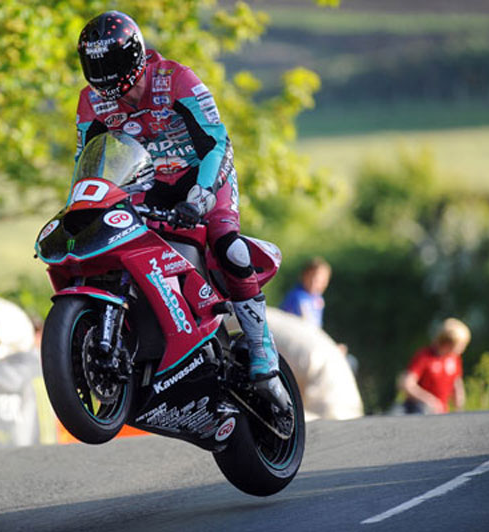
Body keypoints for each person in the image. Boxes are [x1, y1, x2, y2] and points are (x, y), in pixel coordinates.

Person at [74, 11, 290, 414]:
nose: (105, 76)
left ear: (134, 56)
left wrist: (202, 197)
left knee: (229, 248)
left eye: (112, 63)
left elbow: (217, 142)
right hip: (146, 186)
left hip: (202, 178)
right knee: (112, 244)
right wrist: (83, 206)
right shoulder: (91, 101)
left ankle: (264, 356)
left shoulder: (176, 79)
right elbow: (85, 161)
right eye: (95, 65)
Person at [401, 318, 470, 414]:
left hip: (440, 413)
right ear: (448, 342)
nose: (463, 348)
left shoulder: (454, 359)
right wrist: (429, 400)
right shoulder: (425, 357)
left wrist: (459, 405)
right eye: (462, 344)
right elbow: (407, 384)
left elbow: (456, 383)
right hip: (419, 411)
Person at [280, 257, 332, 329]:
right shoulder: (298, 297)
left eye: (319, 281)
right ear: (303, 276)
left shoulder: (318, 299)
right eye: (311, 278)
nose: (313, 283)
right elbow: (306, 322)